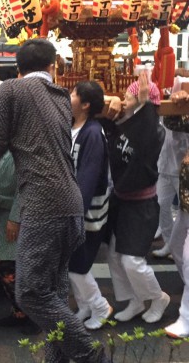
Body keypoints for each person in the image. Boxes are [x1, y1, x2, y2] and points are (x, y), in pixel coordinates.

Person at [0, 38, 109, 363]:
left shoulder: (12, 89)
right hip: (70, 205)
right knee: (52, 295)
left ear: (17, 68)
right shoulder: (61, 98)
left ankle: (92, 356)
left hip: (43, 204)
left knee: (29, 292)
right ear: (53, 66)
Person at [103, 73, 170, 324]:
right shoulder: (125, 125)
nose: (125, 100)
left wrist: (144, 103)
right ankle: (135, 299)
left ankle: (158, 297)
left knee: (132, 259)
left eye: (129, 97)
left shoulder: (153, 132)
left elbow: (146, 131)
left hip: (142, 204)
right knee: (113, 254)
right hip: (122, 199)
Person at [0, 150, 41, 335]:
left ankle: (34, 315)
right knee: (3, 264)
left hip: (15, 214)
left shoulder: (27, 146)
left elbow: (27, 186)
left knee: (11, 266)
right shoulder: (6, 144)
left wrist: (16, 217)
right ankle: (19, 311)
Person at [68, 81, 112, 330]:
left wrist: (76, 213)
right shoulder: (74, 126)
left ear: (85, 104)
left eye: (73, 94)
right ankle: (85, 305)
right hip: (75, 207)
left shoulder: (93, 133)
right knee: (72, 262)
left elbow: (88, 176)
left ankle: (100, 305)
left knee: (78, 265)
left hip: (87, 211)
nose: (69, 97)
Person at [162, 89, 189, 337]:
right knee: (176, 244)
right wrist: (178, 100)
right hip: (186, 199)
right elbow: (173, 120)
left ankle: (187, 317)